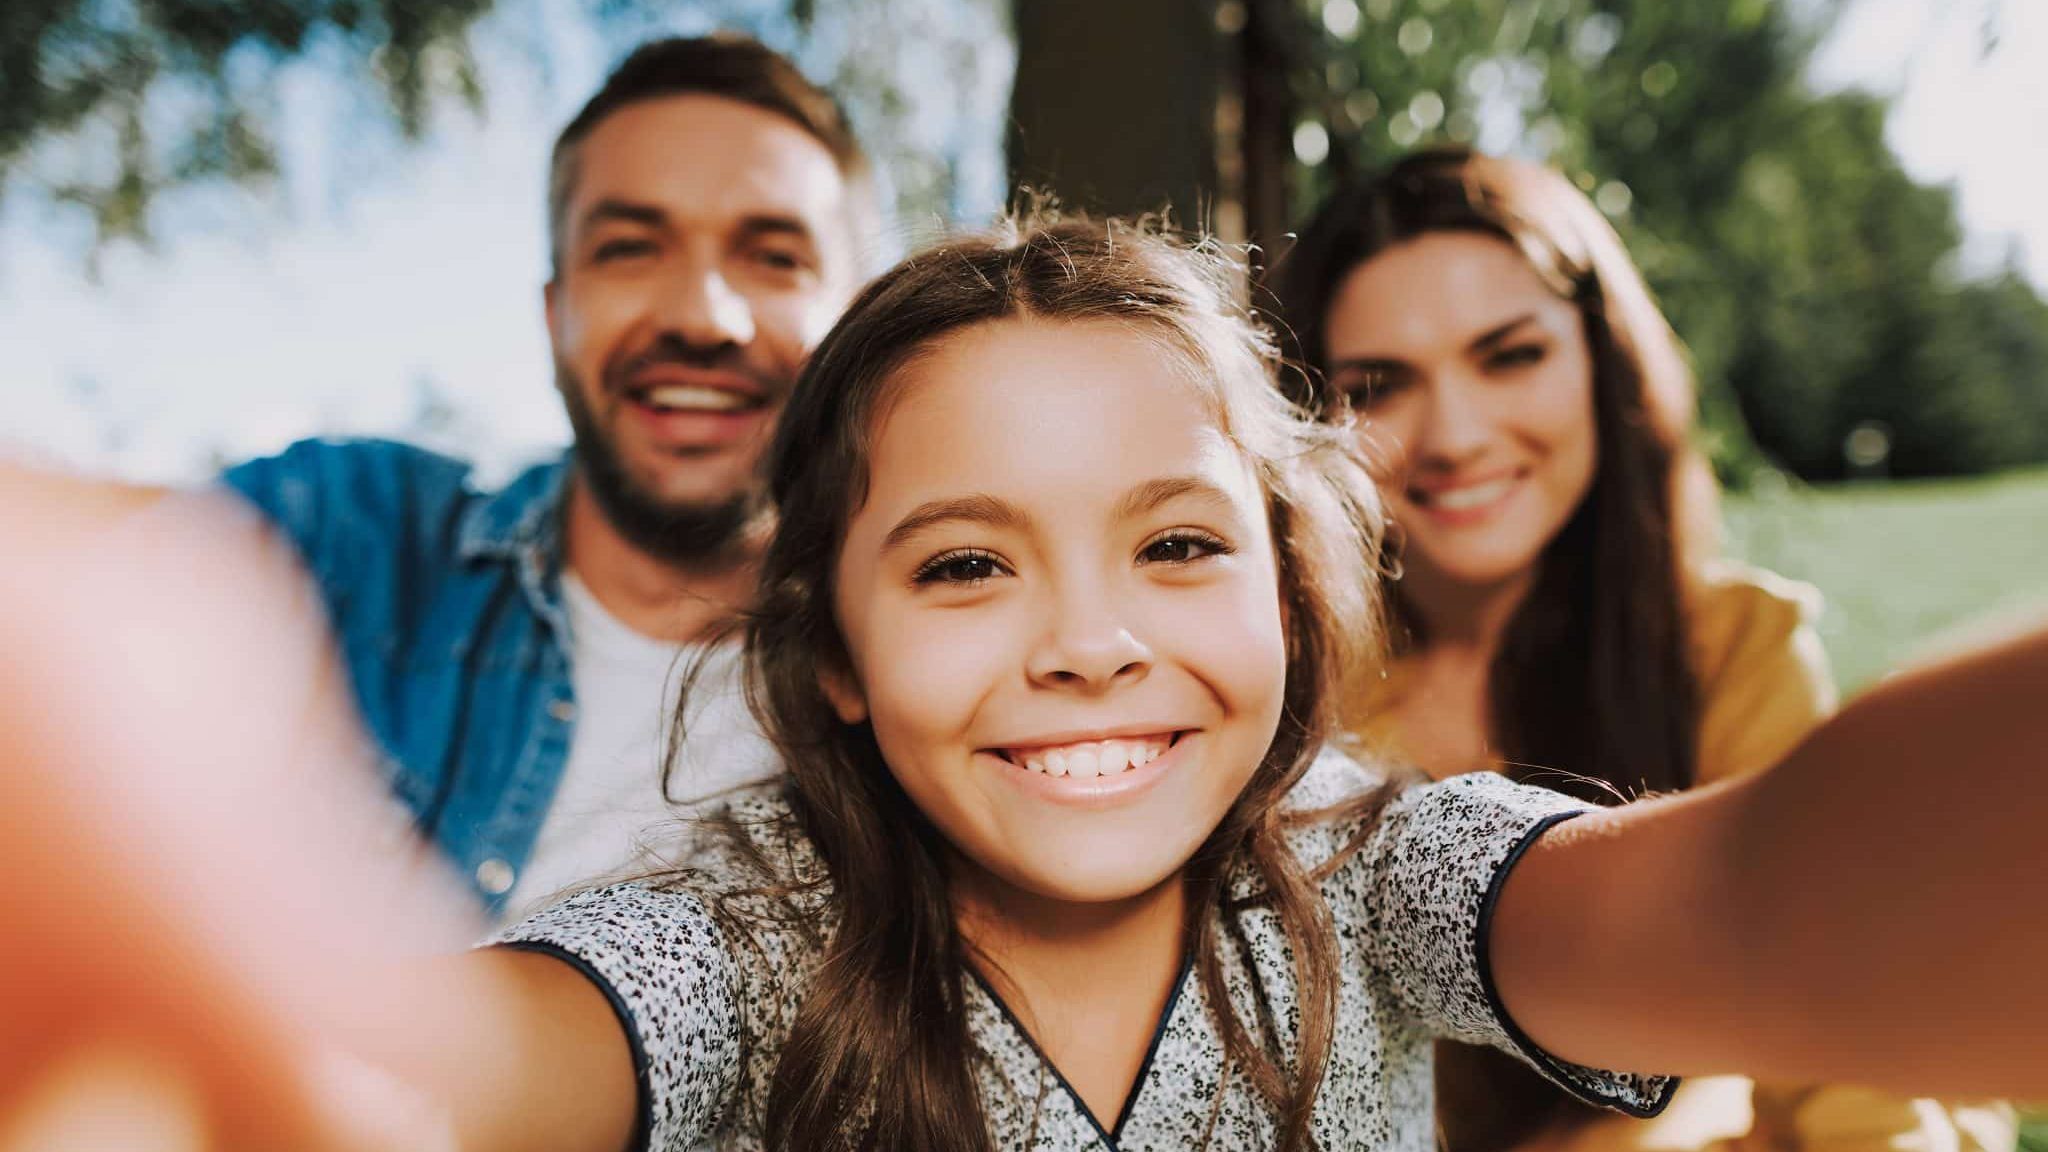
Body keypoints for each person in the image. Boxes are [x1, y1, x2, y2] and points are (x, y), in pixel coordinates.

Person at [3, 218, 2046, 1152]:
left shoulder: (1380, 864)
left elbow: (1751, 902)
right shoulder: (744, 933)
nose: (1089, 638)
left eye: (1174, 544)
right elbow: (470, 1074)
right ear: (834, 664)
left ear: (1296, 590)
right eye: (967, 564)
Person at [36, 34, 879, 920]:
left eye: (774, 256)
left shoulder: (920, 673)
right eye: (631, 247)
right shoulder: (345, 537)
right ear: (556, 316)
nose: (704, 318)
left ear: (857, 322)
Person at [1270, 148, 2013, 1152]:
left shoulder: (1729, 650)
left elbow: (1855, 1089)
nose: (1452, 433)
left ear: (1601, 358)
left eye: (1508, 355)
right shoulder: (1279, 710)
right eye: (1380, 383)